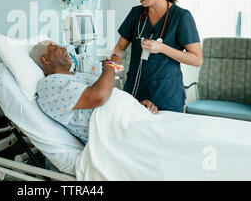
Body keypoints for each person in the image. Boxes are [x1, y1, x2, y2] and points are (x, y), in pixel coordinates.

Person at [111, 0, 202, 113]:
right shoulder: (136, 14)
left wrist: (162, 48)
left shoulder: (181, 17)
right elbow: (120, 49)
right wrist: (110, 66)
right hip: (134, 95)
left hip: (166, 97)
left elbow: (197, 59)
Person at [29, 40, 157, 144]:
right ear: (46, 60)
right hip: (119, 133)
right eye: (57, 47)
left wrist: (136, 106)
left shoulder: (76, 76)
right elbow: (99, 96)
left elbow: (108, 95)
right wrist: (110, 64)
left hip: (133, 119)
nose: (65, 49)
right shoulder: (49, 84)